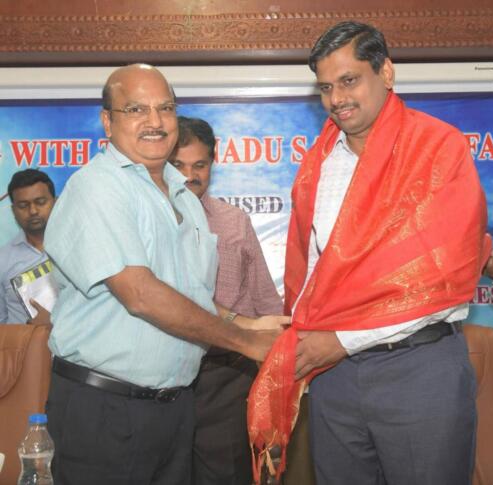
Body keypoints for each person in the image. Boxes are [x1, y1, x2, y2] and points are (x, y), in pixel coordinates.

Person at [247, 21, 491, 485]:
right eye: (325, 87)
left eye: (349, 80)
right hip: (334, 379)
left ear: (387, 73)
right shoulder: (318, 162)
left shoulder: (438, 148)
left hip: (418, 370)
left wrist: (339, 342)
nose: (337, 98)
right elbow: (315, 271)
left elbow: (441, 282)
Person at [43, 64, 286, 485]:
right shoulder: (98, 188)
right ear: (107, 121)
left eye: (166, 108)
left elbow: (185, 294)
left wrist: (245, 320)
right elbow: (140, 293)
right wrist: (246, 341)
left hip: (174, 408)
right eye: (136, 109)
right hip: (106, 409)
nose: (154, 122)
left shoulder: (182, 196)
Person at [168, 116, 283, 485]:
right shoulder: (148, 222)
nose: (190, 175)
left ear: (212, 165)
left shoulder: (234, 222)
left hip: (225, 377)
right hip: (162, 378)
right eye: (179, 165)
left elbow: (265, 299)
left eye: (199, 165)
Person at [0, 169, 55, 324]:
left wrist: (54, 323)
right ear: (13, 210)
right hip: (22, 347)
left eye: (40, 202)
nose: (33, 211)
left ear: (55, 201)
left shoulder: (80, 246)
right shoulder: (2, 260)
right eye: (23, 205)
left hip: (76, 346)